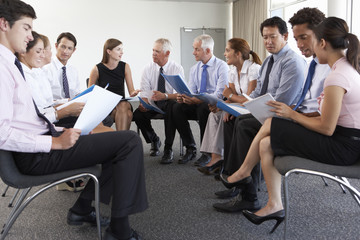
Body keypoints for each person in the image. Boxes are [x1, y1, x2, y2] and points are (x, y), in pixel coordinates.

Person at [0, 1, 147, 239]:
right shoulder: (3, 68)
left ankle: (81, 210)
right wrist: (55, 142)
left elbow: (25, 118)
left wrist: (58, 130)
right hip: (35, 153)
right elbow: (1, 132)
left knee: (119, 144)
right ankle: (119, 230)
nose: (30, 36)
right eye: (26, 28)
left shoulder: (10, 64)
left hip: (41, 139)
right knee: (129, 142)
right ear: (4, 24)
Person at [222, 16, 360, 234]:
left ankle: (243, 171)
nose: (307, 48)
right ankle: (274, 205)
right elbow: (328, 114)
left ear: (322, 43)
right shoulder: (343, 70)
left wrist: (291, 115)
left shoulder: (337, 77)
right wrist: (293, 115)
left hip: (343, 147)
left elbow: (327, 128)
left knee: (272, 122)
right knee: (266, 143)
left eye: (311, 41)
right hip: (343, 140)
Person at [213, 16, 307, 211]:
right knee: (232, 119)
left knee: (244, 124)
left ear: (285, 36)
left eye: (273, 37)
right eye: (265, 38)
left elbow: (282, 103)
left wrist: (248, 109)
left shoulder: (292, 62)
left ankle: (249, 195)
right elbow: (256, 94)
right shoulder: (268, 62)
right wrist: (237, 107)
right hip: (268, 112)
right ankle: (236, 181)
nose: (268, 42)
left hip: (287, 117)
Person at [198, 38, 261, 175]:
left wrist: (230, 99)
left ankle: (227, 162)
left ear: (238, 54)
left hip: (253, 109)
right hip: (240, 107)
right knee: (214, 114)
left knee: (225, 117)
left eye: (227, 50)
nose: (224, 54)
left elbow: (248, 100)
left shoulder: (253, 69)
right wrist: (222, 106)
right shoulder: (232, 70)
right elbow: (231, 96)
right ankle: (216, 158)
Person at [173, 34, 229, 166]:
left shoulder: (222, 67)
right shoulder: (194, 69)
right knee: (176, 107)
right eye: (194, 49)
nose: (193, 52)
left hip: (213, 104)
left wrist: (198, 100)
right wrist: (185, 97)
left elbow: (219, 95)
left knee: (204, 107)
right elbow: (192, 91)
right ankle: (190, 147)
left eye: (197, 49)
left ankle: (207, 153)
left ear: (208, 50)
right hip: (197, 103)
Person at [133, 38, 184, 163]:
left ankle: (168, 148)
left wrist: (165, 96)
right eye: (153, 50)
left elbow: (180, 94)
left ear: (167, 54)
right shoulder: (147, 69)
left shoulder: (177, 68)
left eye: (157, 51)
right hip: (153, 104)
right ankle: (154, 140)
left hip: (170, 103)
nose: (153, 54)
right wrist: (143, 103)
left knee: (171, 107)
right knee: (138, 115)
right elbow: (144, 91)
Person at [88, 38, 140, 131]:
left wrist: (133, 93)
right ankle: (122, 142)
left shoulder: (125, 66)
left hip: (123, 103)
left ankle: (119, 142)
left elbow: (131, 90)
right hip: (107, 107)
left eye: (122, 49)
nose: (122, 52)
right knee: (128, 114)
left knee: (123, 104)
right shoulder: (96, 69)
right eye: (118, 49)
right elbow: (89, 93)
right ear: (109, 51)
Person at [45, 32, 80, 100]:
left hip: (73, 107)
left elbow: (76, 93)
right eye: (63, 47)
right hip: (54, 108)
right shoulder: (46, 67)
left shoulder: (73, 70)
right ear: (56, 46)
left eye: (69, 48)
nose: (65, 51)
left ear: (74, 50)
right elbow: (45, 98)